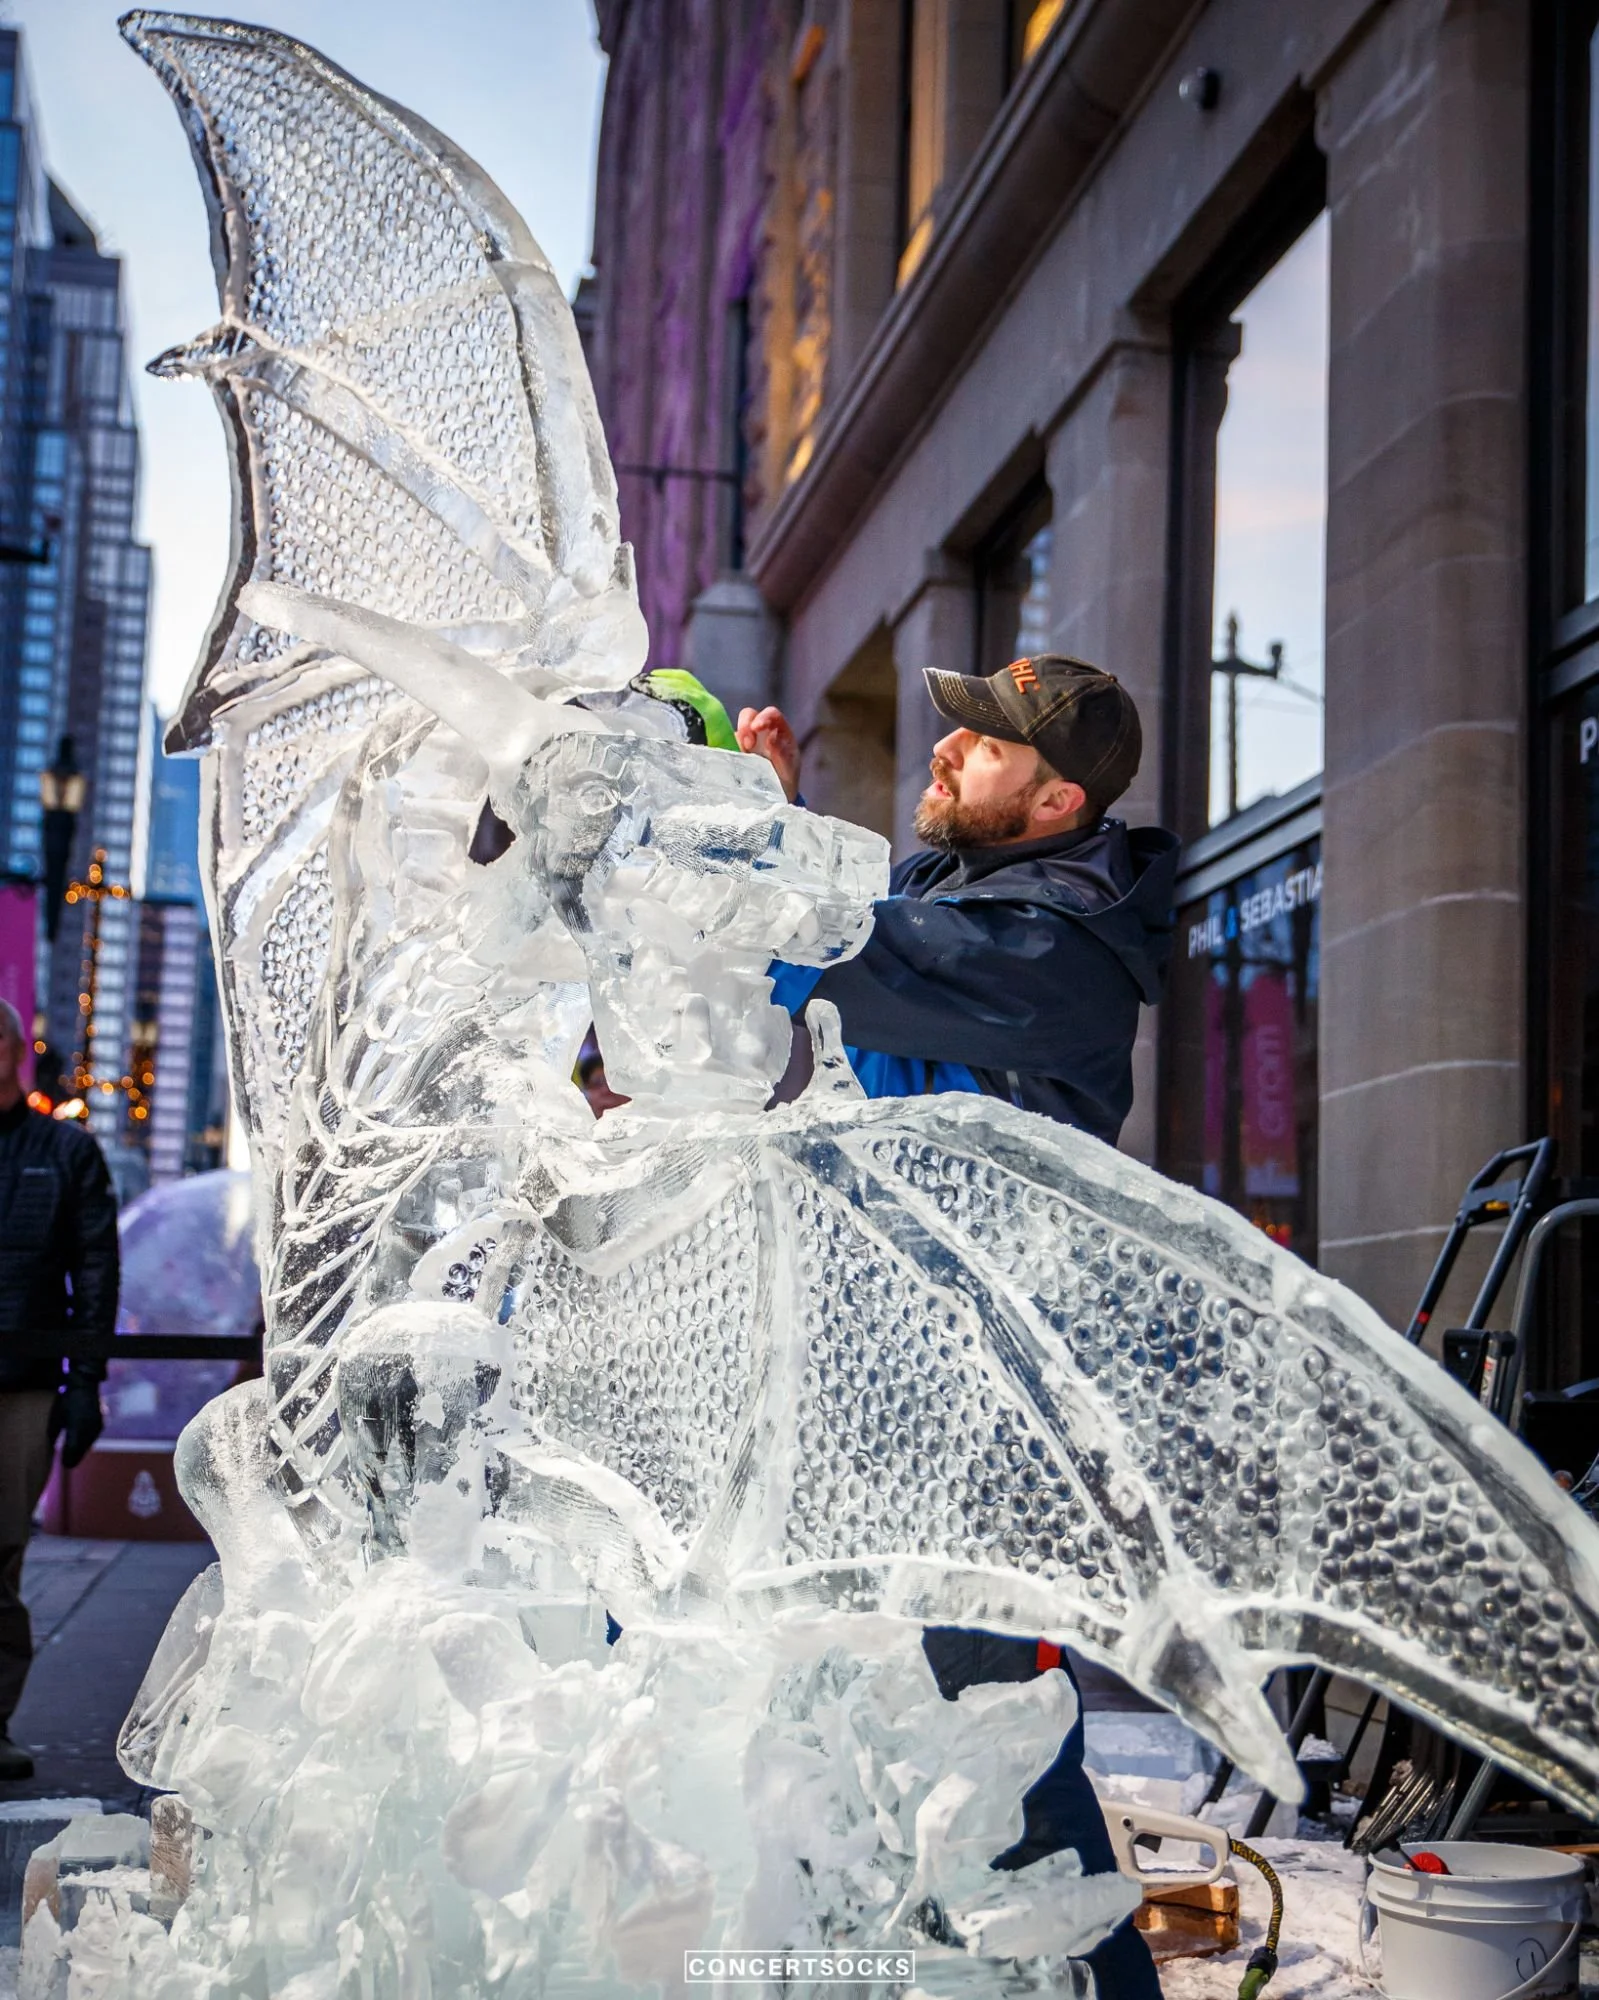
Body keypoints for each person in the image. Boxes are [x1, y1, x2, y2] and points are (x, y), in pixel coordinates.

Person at [741, 654, 1178, 1998]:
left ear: (1054, 803)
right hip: (877, 1405)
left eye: (982, 745)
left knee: (999, 1771)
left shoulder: (1054, 951)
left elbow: (821, 948)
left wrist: (749, 830)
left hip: (975, 1439)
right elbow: (828, 963)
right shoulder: (961, 900)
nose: (943, 750)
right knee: (870, 1759)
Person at [0, 998, 115, 1781]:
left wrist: (84, 1383)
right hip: (33, 1371)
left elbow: (96, 1270)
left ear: (14, 1051)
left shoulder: (66, 1151)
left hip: (24, 1381)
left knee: (2, 1554)